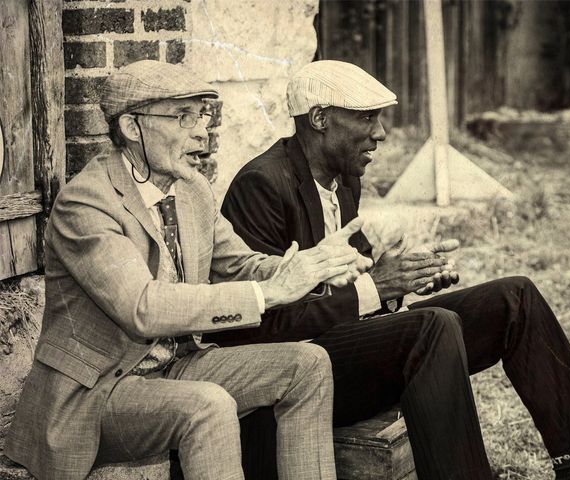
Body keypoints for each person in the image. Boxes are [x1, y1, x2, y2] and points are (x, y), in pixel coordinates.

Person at [213, 60, 570, 480]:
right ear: (319, 119)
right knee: (431, 328)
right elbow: (259, 322)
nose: (380, 133)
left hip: (350, 344)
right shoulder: (261, 184)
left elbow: (363, 275)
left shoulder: (345, 180)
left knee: (514, 297)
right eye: (367, 117)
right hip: (300, 369)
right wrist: (376, 286)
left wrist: (406, 277)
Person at [4, 60, 371, 480]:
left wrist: (307, 269)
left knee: (307, 364)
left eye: (202, 116)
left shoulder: (192, 189)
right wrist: (269, 293)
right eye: (183, 117)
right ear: (132, 127)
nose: (201, 131)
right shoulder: (85, 203)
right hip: (99, 391)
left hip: (178, 364)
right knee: (207, 405)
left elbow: (240, 265)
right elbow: (142, 306)